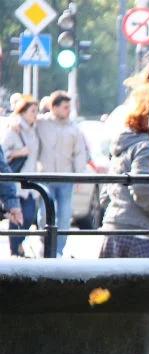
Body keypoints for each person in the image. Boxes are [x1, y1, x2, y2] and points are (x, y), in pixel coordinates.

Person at [96, 75, 149, 258]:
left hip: (112, 230)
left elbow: (104, 195)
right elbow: (143, 188)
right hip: (139, 233)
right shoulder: (146, 146)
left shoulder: (123, 144)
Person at [35, 91, 89, 257]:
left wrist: (79, 176)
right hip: (46, 177)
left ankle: (58, 251)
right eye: (65, 107)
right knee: (44, 214)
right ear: (54, 107)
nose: (68, 110)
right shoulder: (41, 124)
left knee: (65, 217)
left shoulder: (74, 128)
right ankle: (45, 246)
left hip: (66, 179)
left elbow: (79, 153)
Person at [2, 96, 40, 257]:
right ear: (23, 112)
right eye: (32, 111)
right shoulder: (13, 129)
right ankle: (15, 248)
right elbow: (3, 155)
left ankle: (18, 245)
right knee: (17, 214)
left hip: (28, 181)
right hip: (15, 181)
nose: (36, 114)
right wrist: (19, 152)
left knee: (29, 216)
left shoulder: (34, 129)